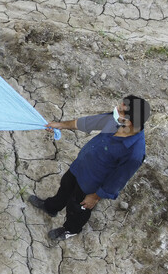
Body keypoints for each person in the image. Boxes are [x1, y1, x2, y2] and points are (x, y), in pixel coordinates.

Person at [28, 95, 151, 242]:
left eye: (121, 109)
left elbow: (117, 181)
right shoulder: (116, 121)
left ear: (129, 121)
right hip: (79, 167)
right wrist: (60, 125)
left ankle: (71, 229)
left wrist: (95, 196)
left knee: (77, 208)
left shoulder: (134, 153)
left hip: (91, 184)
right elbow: (88, 123)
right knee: (65, 187)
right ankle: (51, 207)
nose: (116, 109)